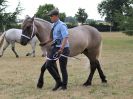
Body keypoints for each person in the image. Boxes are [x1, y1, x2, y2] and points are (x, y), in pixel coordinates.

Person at [45, 8, 70, 91]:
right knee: (48, 65)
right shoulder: (53, 25)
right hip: (55, 48)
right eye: (50, 16)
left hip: (63, 49)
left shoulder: (62, 25)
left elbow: (65, 37)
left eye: (51, 16)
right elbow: (53, 37)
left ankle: (64, 86)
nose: (50, 18)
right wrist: (46, 42)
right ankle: (59, 82)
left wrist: (61, 49)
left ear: (56, 16)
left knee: (63, 68)